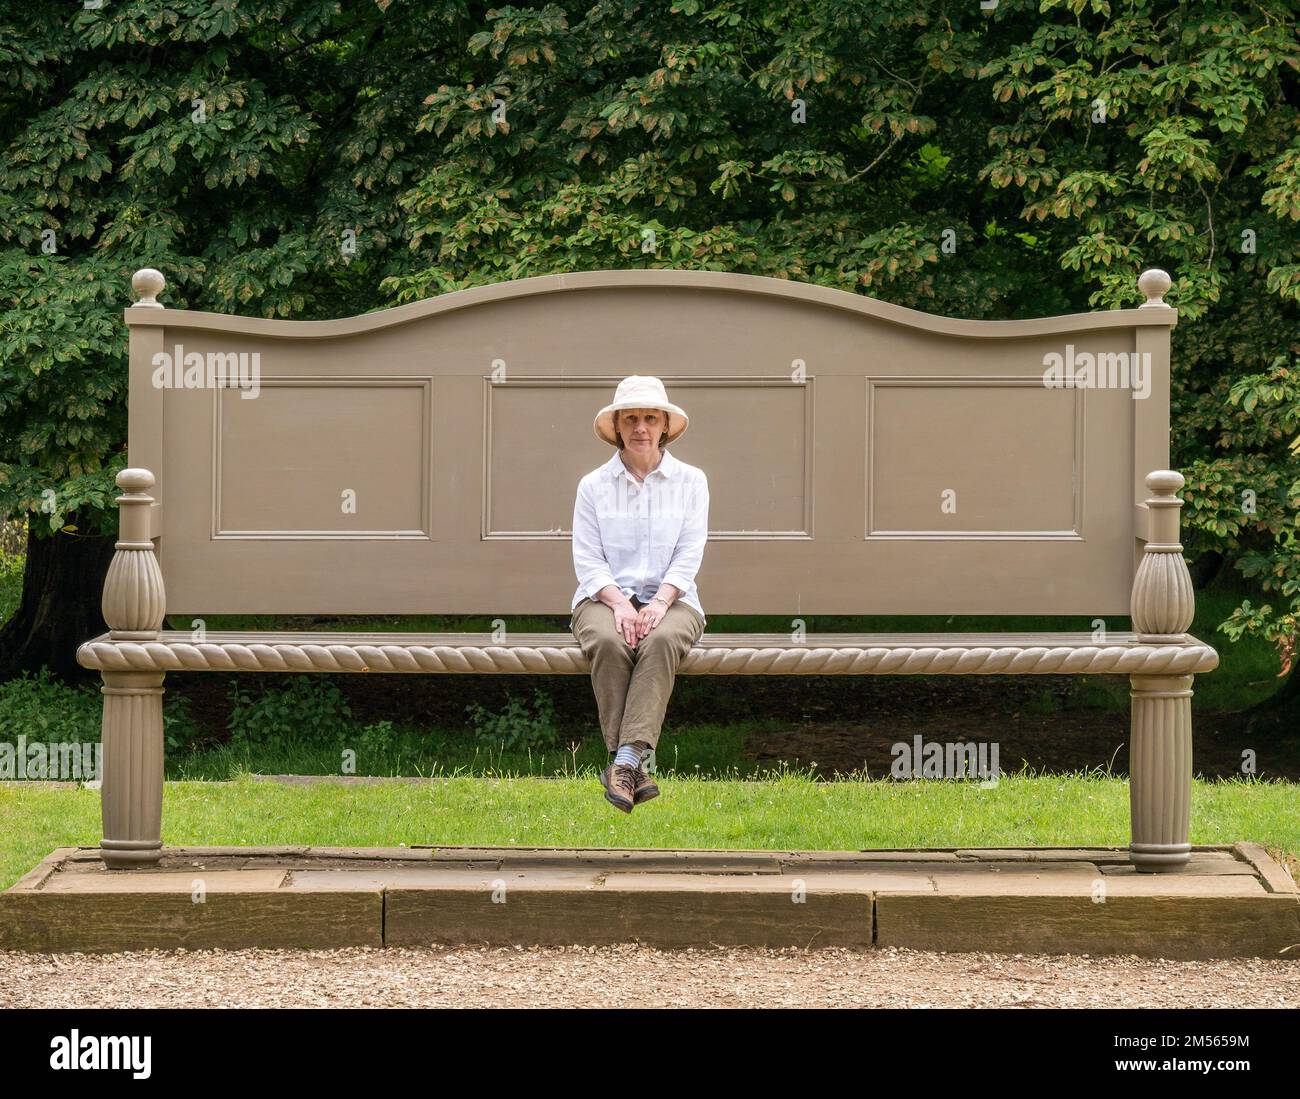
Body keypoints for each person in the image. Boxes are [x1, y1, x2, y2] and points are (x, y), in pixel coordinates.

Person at [568, 376, 709, 813]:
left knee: (662, 639)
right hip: (602, 599)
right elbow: (588, 558)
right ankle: (633, 766)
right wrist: (619, 604)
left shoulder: (691, 481)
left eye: (650, 418)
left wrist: (660, 602)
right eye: (631, 418)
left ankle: (623, 761)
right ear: (617, 426)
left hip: (675, 599)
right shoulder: (593, 486)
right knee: (610, 640)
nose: (641, 427)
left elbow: (690, 551)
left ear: (665, 425)